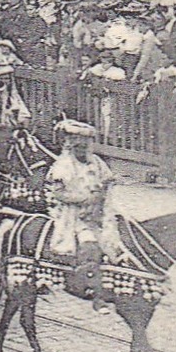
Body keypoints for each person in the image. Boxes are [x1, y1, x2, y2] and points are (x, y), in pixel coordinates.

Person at [46, 119, 117, 308]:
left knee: (117, 241)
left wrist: (99, 198)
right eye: (78, 144)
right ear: (70, 145)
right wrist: (85, 199)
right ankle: (93, 291)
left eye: (86, 144)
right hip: (72, 214)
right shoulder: (64, 166)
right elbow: (59, 193)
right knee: (90, 246)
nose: (83, 149)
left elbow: (107, 181)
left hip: (98, 212)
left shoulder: (96, 162)